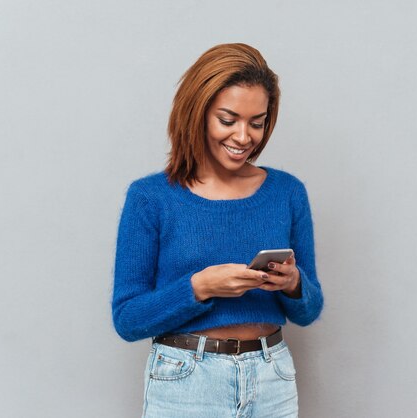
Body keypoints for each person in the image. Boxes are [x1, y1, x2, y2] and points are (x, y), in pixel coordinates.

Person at [111, 43, 323, 418]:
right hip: (186, 379)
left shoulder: (287, 192)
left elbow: (310, 310)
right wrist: (201, 287)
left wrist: (292, 283)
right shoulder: (151, 198)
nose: (244, 137)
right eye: (228, 120)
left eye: (256, 123)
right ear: (198, 114)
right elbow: (128, 320)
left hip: (272, 375)